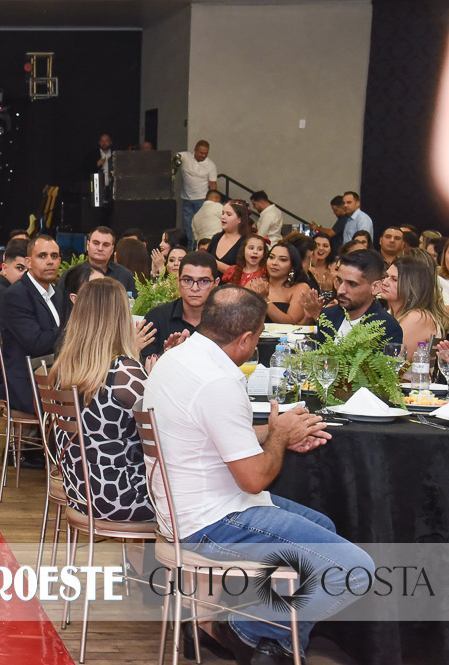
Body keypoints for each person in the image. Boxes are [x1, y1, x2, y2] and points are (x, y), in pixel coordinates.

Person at [143, 285, 373, 664]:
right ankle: (250, 630)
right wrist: (279, 438)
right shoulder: (219, 381)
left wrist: (278, 433)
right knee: (355, 568)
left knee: (324, 527)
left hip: (180, 507)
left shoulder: (177, 358)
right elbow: (253, 480)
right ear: (247, 338)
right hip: (208, 522)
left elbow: (214, 432)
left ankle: (268, 638)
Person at [50, 278, 153, 522]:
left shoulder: (63, 369)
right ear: (121, 318)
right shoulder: (125, 374)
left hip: (80, 492)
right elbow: (159, 438)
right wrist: (155, 381)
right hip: (125, 498)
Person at [0, 234, 62, 413]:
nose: (50, 261)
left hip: (56, 377)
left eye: (54, 256)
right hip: (28, 386)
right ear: (28, 262)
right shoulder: (17, 295)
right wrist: (73, 328)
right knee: (86, 400)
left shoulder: (58, 293)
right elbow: (37, 344)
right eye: (42, 256)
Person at [301, 248, 403, 345]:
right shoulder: (328, 315)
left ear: (375, 287)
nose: (341, 290)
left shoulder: (387, 328)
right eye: (340, 281)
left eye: (352, 284)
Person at [140, 251, 218, 362]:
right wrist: (167, 355)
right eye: (187, 280)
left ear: (216, 283)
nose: (195, 288)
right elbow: (144, 365)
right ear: (178, 281)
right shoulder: (156, 318)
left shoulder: (225, 321)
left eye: (204, 281)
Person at [379, 251, 449, 360]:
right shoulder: (390, 313)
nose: (385, 282)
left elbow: (394, 364)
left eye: (394, 279)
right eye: (387, 276)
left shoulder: (418, 317)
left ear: (411, 286)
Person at [178, 140, 218, 244]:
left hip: (202, 199)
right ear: (195, 150)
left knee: (202, 225)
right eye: (201, 153)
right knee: (187, 226)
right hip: (187, 199)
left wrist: (213, 201)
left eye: (206, 153)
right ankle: (189, 247)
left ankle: (201, 246)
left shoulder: (210, 165)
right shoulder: (185, 157)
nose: (203, 155)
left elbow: (213, 184)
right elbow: (173, 157)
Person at [264, 242, 313, 325]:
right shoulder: (254, 284)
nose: (274, 263)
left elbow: (291, 322)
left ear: (292, 266)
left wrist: (264, 299)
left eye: (282, 260)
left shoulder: (300, 288)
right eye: (271, 257)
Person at [84, 226, 137, 294]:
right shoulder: (75, 275)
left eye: (106, 245)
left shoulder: (125, 275)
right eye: (96, 243)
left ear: (112, 250)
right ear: (88, 245)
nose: (100, 248)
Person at [207, 200, 252, 274]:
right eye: (222, 213)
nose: (223, 217)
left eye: (228, 214)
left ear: (240, 219)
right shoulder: (216, 238)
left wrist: (213, 262)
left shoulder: (247, 242)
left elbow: (242, 273)